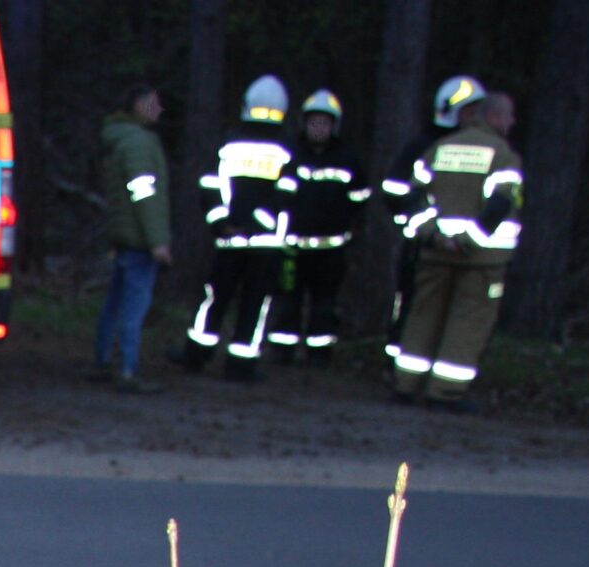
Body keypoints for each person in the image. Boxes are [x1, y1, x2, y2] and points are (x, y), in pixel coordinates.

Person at [389, 88, 521, 409]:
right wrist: (465, 241)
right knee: (468, 323)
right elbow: (501, 204)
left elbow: (413, 198)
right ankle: (445, 392)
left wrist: (434, 236)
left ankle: (406, 384)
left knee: (422, 316)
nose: (512, 122)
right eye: (509, 116)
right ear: (495, 116)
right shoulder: (503, 155)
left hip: (434, 254)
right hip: (481, 261)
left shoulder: (439, 148)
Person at [173, 75, 294, 381]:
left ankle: (196, 355)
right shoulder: (287, 148)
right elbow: (287, 194)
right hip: (265, 244)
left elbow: (210, 186)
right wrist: (255, 225)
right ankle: (241, 366)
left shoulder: (229, 143)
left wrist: (222, 224)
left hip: (230, 240)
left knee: (215, 299)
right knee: (254, 305)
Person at [378, 75, 484, 363]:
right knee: (412, 307)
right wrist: (425, 228)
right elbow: (394, 192)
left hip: (461, 247)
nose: (475, 117)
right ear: (451, 111)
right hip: (422, 247)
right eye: (469, 110)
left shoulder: (476, 150)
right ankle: (398, 364)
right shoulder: (423, 146)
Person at [276, 89, 370, 365]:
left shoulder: (347, 159)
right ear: (305, 123)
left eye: (324, 123)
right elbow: (277, 196)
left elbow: (360, 196)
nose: (318, 128)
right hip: (292, 247)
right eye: (314, 122)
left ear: (334, 126)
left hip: (330, 250)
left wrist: (348, 223)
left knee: (325, 303)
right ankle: (282, 352)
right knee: (288, 300)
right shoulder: (289, 155)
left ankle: (319, 354)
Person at [92, 82, 172, 395]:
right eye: (153, 102)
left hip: (124, 236)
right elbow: (144, 193)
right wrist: (158, 241)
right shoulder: (138, 142)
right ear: (138, 105)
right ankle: (127, 369)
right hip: (139, 240)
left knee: (114, 303)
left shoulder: (118, 138)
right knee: (133, 307)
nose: (159, 109)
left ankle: (102, 361)